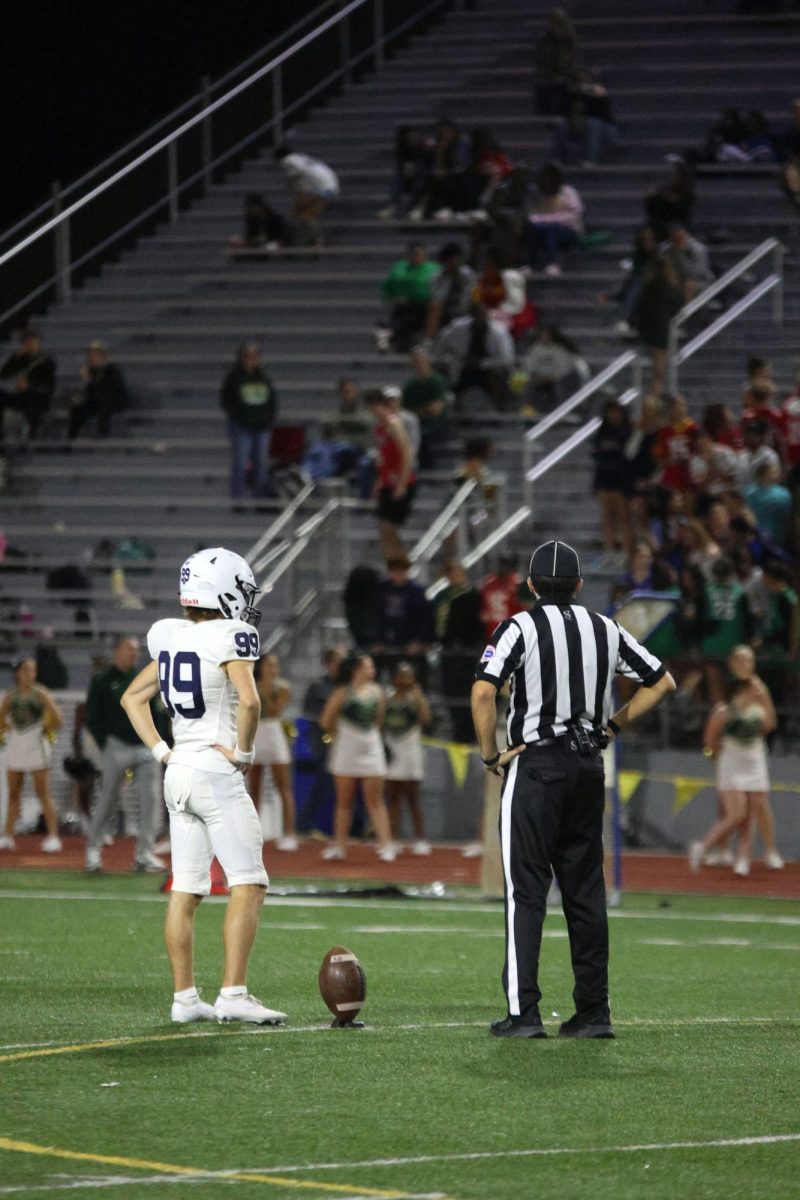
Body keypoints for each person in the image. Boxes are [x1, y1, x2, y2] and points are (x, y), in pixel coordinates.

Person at [471, 539, 675, 1039]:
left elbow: (482, 691)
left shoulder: (519, 625)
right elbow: (662, 681)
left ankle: (524, 1014)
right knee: (586, 893)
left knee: (526, 893)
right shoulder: (605, 627)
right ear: (580, 586)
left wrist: (490, 754)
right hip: (588, 766)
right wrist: (613, 727)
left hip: (536, 766)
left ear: (533, 586)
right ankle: (593, 1013)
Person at [120, 546, 287, 1026]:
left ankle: (185, 999)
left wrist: (161, 751)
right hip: (216, 770)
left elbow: (134, 698)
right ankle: (233, 992)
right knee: (249, 881)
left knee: (187, 888)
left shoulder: (169, 636)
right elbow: (251, 703)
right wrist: (246, 753)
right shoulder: (233, 636)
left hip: (178, 771)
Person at [84, 635, 166, 873]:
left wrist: (157, 743)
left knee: (150, 800)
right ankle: (93, 850)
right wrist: (105, 744)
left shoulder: (142, 678)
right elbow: (93, 716)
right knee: (108, 799)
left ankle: (144, 853)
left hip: (144, 747)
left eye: (136, 650)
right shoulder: (102, 680)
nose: (133, 653)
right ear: (117, 650)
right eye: (129, 648)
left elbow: (156, 714)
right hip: (116, 746)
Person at [690, 669, 780, 877]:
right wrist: (717, 758)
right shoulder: (725, 710)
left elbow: (770, 724)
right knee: (735, 813)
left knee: (751, 815)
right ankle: (703, 847)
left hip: (754, 763)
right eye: (751, 688)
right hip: (731, 763)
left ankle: (743, 857)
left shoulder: (758, 710)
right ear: (741, 690)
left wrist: (764, 696)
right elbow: (710, 740)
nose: (755, 691)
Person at [319, 653, 396, 862]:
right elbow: (326, 720)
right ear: (356, 669)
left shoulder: (378, 692)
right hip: (346, 747)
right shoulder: (342, 693)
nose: (372, 671)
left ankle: (386, 845)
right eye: (368, 667)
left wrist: (368, 738)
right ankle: (339, 846)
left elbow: (379, 720)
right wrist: (341, 734)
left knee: (376, 800)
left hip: (371, 747)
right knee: (344, 801)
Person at [0, 658, 63, 853]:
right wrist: (9, 729)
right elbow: (1, 719)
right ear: (18, 673)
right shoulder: (10, 696)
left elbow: (57, 718)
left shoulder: (40, 693)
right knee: (13, 792)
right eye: (27, 670)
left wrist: (44, 729)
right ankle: (8, 836)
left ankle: (53, 836)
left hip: (36, 741)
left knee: (42, 791)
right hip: (17, 742)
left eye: (33, 671)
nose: (30, 675)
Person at [250, 654, 298, 852]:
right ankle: (252, 833)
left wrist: (268, 689)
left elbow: (274, 711)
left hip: (273, 731)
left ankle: (288, 834)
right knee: (254, 789)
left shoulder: (283, 687)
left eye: (275, 665)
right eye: (270, 665)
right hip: (255, 733)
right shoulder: (250, 684)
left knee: (284, 788)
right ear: (261, 666)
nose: (273, 668)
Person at [383, 661, 432, 854]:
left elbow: (426, 719)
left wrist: (419, 696)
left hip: (411, 749)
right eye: (403, 675)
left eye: (409, 675)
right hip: (392, 749)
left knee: (413, 797)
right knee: (393, 797)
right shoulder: (387, 698)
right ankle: (393, 838)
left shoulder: (415, 698)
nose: (406, 680)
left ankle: (420, 839)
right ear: (395, 678)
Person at [220, 342, 278, 503]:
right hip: (242, 427)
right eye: (248, 357)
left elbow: (272, 402)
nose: (252, 360)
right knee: (240, 463)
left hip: (262, 427)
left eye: (255, 357)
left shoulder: (264, 378)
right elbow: (227, 402)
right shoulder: (233, 379)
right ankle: (238, 498)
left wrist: (267, 420)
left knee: (261, 463)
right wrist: (241, 418)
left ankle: (259, 499)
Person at [364, 389, 417, 562]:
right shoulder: (379, 428)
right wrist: (380, 480)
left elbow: (406, 452)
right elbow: (383, 457)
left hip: (400, 481)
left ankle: (402, 564)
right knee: (384, 528)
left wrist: (402, 483)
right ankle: (394, 564)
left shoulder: (393, 423)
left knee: (388, 526)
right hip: (387, 481)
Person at [298, 646, 346, 833]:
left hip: (347, 739)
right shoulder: (318, 686)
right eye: (339, 661)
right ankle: (305, 823)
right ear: (329, 663)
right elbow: (310, 713)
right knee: (324, 779)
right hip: (322, 737)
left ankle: (354, 825)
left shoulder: (348, 686)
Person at [437, 560, 485, 742]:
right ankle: (457, 727)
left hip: (466, 651)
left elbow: (475, 624)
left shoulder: (471, 596)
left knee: (466, 690)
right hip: (447, 650)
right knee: (450, 690)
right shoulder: (443, 595)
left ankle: (469, 730)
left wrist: (466, 642)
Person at [437, 302, 515, 411]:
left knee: (501, 373)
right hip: (463, 368)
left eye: (482, 316)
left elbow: (506, 360)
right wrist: (454, 358)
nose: (480, 319)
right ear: (472, 316)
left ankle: (500, 410)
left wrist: (481, 363)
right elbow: (442, 342)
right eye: (476, 316)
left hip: (489, 371)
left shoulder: (498, 332)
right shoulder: (459, 328)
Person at [631, 256, 684, 391]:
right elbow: (677, 305)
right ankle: (655, 396)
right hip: (660, 328)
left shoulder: (648, 286)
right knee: (659, 370)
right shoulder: (669, 286)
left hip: (649, 328)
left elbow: (639, 307)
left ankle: (655, 394)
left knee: (657, 368)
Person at [377, 242, 440, 353]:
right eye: (413, 254)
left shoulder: (435, 269)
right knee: (387, 324)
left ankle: (428, 340)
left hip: (426, 305)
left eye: (419, 254)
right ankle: (384, 342)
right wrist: (391, 299)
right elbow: (387, 287)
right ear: (408, 255)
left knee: (434, 306)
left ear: (425, 255)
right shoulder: (399, 268)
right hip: (405, 304)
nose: (416, 256)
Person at [524, 163, 584, 278]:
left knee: (550, 229)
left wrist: (549, 220)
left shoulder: (568, 192)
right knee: (533, 228)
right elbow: (533, 215)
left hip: (569, 231)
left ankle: (553, 263)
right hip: (541, 230)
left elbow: (574, 214)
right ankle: (529, 264)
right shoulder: (540, 195)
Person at [592, 398, 633, 565]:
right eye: (611, 411)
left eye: (617, 411)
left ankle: (624, 550)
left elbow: (627, 452)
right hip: (604, 474)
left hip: (621, 475)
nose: (614, 415)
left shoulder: (626, 430)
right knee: (607, 514)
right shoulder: (602, 430)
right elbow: (596, 450)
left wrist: (612, 447)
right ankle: (608, 550)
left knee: (622, 514)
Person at [273, 144, 339, 246]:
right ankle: (316, 238)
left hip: (320, 188)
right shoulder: (301, 157)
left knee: (299, 212)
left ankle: (317, 238)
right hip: (331, 186)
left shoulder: (288, 160)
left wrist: (289, 182)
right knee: (306, 214)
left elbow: (299, 171)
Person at [0, 326, 56, 441]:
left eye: (33, 341)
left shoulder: (47, 362)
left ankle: (30, 439)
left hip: (37, 397)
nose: (31, 344)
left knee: (33, 409)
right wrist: (16, 357)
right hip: (21, 396)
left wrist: (30, 386)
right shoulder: (21, 359)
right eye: (27, 341)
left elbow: (49, 388)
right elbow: (4, 374)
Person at [518, 325, 589, 416]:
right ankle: (527, 414)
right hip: (540, 379)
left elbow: (564, 369)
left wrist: (550, 377)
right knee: (527, 385)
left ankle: (562, 414)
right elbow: (529, 366)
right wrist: (536, 376)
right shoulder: (535, 349)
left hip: (562, 378)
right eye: (542, 335)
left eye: (546, 335)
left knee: (560, 387)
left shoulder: (562, 349)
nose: (544, 338)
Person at [68, 341, 130, 439]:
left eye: (97, 355)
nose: (93, 358)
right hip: (95, 402)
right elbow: (87, 392)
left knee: (104, 400)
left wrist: (90, 381)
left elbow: (110, 390)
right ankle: (71, 438)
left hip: (114, 402)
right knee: (77, 406)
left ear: (103, 357)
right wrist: (79, 396)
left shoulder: (112, 370)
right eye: (91, 356)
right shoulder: (88, 371)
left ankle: (102, 433)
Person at [402, 346, 450, 469]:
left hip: (435, 424)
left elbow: (435, 409)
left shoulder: (437, 381)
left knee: (423, 436)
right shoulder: (410, 386)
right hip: (415, 424)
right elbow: (405, 411)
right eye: (416, 361)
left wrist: (418, 412)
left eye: (421, 361)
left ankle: (426, 469)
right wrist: (424, 410)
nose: (419, 364)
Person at [533, 7, 582, 116]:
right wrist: (551, 77)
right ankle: (548, 121)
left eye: (560, 21)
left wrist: (565, 76)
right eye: (553, 21)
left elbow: (574, 62)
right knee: (541, 88)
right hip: (549, 79)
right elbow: (541, 63)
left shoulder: (571, 41)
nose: (556, 24)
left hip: (568, 79)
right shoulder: (544, 41)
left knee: (571, 89)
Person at [424, 242, 476, 341]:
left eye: (458, 259)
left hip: (465, 310)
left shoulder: (469, 275)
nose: (455, 263)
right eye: (451, 260)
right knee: (434, 306)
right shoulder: (437, 278)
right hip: (445, 313)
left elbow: (473, 294)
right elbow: (437, 298)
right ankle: (429, 340)